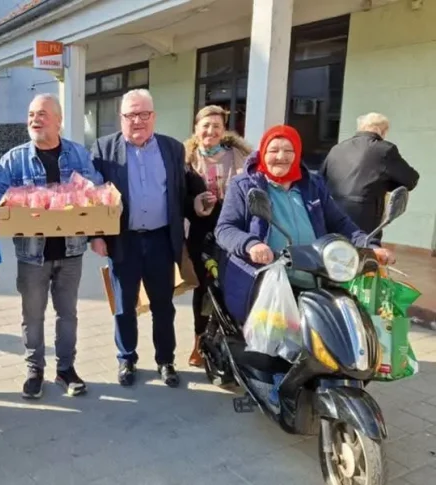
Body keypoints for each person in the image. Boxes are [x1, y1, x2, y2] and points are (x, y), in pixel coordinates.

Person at [90, 89, 213, 388]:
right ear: (121, 119)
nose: (138, 120)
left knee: (163, 305)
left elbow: (179, 192)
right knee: (123, 305)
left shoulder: (172, 149)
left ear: (154, 117)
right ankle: (126, 358)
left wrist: (194, 205)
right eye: (131, 114)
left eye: (144, 114)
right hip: (123, 240)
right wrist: (96, 235)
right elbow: (92, 195)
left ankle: (165, 360)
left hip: (161, 240)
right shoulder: (103, 149)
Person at [0, 94, 103, 399]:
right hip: (31, 255)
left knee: (68, 314)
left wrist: (90, 200)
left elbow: (97, 192)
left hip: (71, 251)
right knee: (32, 315)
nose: (34, 120)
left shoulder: (78, 155)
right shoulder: (13, 159)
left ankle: (66, 369)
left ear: (59, 119)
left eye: (42, 114)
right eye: (30, 115)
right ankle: (34, 369)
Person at [214, 125, 394, 319]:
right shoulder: (244, 185)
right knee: (268, 343)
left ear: (297, 153)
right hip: (266, 281)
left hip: (313, 278)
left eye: (288, 150)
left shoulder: (313, 184)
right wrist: (251, 244)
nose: (281, 156)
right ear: (263, 152)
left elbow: (341, 223)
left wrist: (370, 246)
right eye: (273, 150)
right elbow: (225, 228)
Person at [183, 106, 250, 367]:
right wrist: (194, 203)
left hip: (233, 231)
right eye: (206, 125)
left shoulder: (239, 156)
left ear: (224, 131)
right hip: (201, 231)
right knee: (203, 288)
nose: (210, 131)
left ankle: (232, 340)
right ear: (196, 128)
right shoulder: (186, 158)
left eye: (217, 127)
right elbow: (179, 199)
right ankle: (199, 342)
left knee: (232, 286)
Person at [321, 112, 419, 234]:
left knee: (333, 248)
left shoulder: (337, 148)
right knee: (365, 249)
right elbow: (410, 180)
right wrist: (388, 185)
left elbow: (322, 178)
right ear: (380, 130)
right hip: (363, 215)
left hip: (332, 211)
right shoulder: (385, 149)